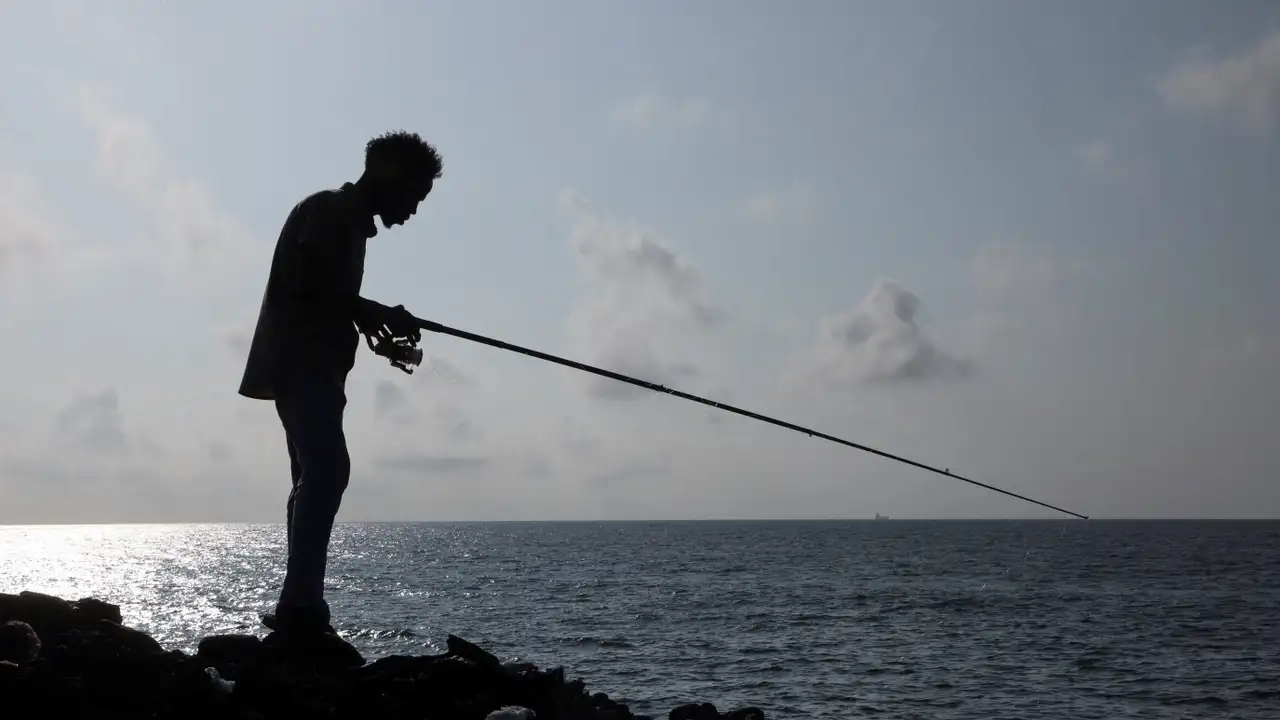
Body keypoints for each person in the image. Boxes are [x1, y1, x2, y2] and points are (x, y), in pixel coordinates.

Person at [237, 130, 442, 657]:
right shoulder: (329, 213)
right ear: (389, 174)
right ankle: (301, 610)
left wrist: (374, 323)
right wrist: (376, 313)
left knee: (312, 476)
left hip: (320, 370)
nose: (415, 210)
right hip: (301, 365)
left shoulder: (348, 226)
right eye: (415, 196)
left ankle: (300, 606)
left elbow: (331, 299)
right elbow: (315, 291)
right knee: (327, 471)